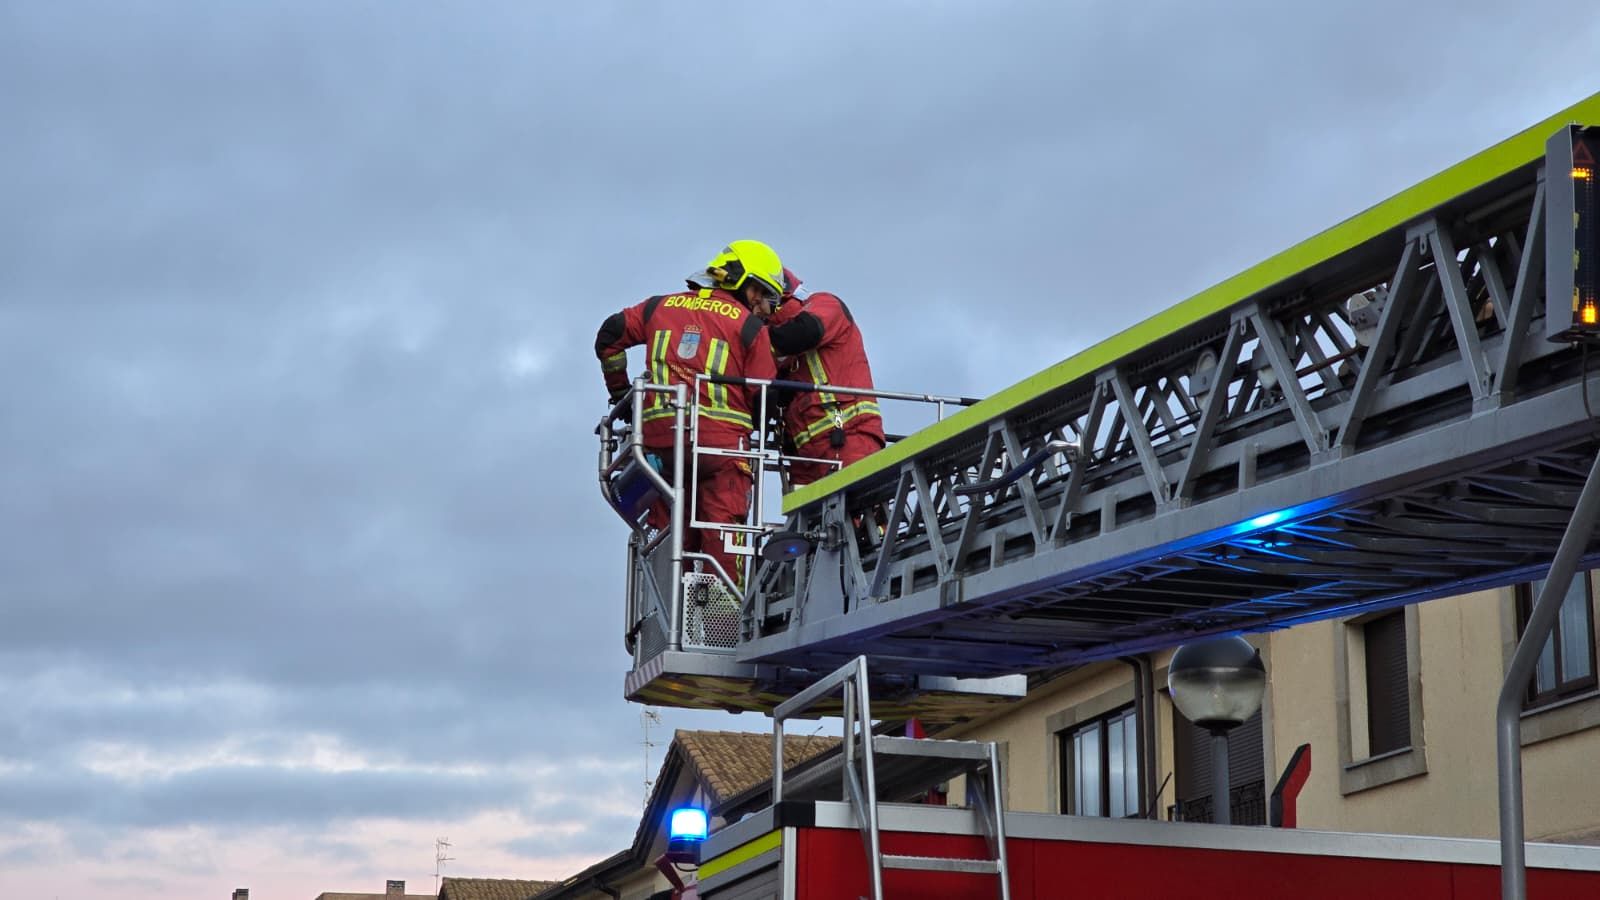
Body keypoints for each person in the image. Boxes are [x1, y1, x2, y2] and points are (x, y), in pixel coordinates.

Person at [595, 240, 783, 585]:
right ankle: (724, 621)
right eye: (765, 295)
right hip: (721, 449)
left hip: (660, 444)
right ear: (745, 283)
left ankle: (669, 609)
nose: (765, 309)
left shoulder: (657, 307)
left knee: (670, 534)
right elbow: (764, 394)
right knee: (724, 533)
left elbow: (608, 336)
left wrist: (622, 394)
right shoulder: (749, 328)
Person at [766, 268, 885, 486]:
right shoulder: (776, 348)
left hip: (848, 439)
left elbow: (806, 331)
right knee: (812, 520)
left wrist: (746, 334)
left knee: (856, 516)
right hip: (804, 457)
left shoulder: (824, 304)